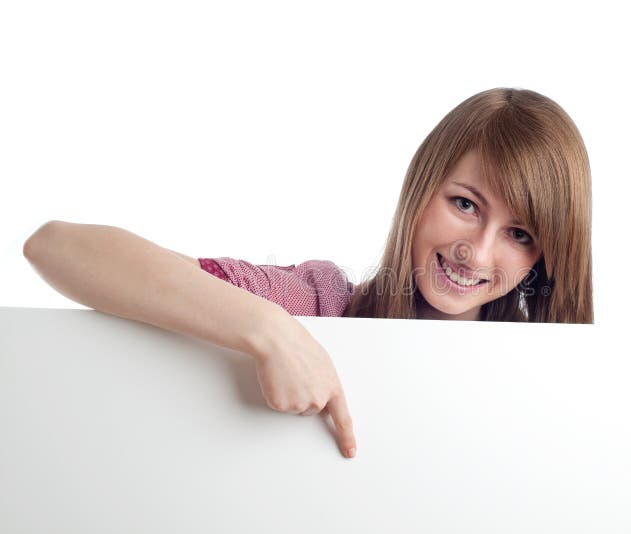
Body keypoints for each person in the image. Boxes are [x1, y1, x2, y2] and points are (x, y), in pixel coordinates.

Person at [23, 87, 593, 460]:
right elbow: (57, 248)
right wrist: (271, 331)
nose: (477, 251)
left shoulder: (552, 389)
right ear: (422, 189)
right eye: (465, 204)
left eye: (519, 234)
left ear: (543, 255)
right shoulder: (322, 303)